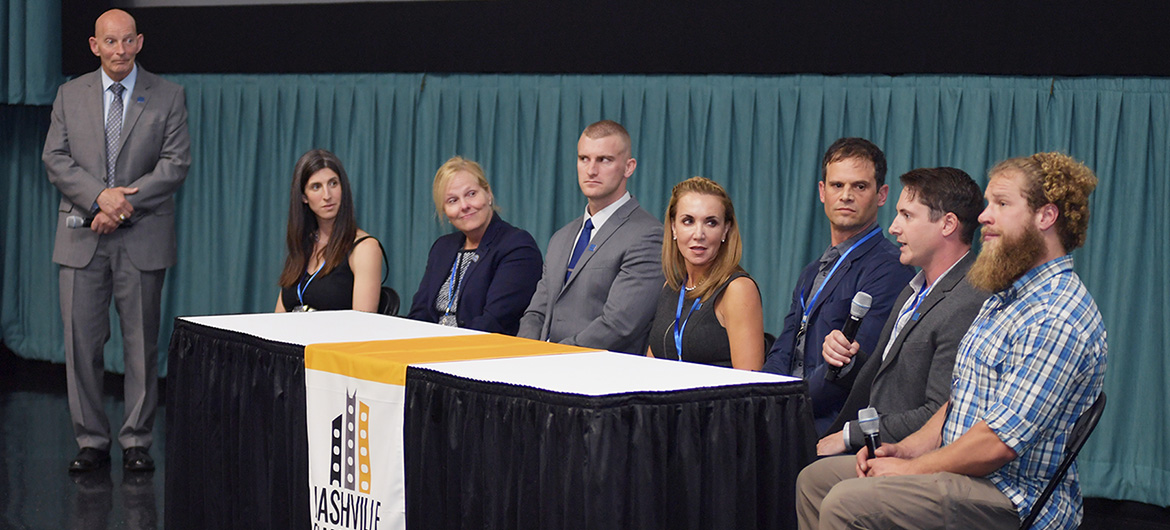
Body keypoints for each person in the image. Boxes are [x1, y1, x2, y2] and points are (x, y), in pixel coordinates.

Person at [796, 152, 1107, 529]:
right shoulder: (1005, 299)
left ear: (1046, 216)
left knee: (848, 502)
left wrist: (911, 468)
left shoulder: (1056, 315)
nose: (984, 216)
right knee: (815, 481)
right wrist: (904, 450)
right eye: (988, 203)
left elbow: (997, 443)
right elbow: (956, 402)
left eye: (1002, 204)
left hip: (1008, 496)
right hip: (961, 474)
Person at [43, 9, 191, 473]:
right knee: (80, 346)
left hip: (142, 238)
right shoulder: (69, 95)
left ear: (140, 42)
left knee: (141, 345)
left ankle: (136, 441)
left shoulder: (168, 95)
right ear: (95, 46)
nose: (120, 50)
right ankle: (90, 440)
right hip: (81, 238)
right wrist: (99, 198)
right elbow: (55, 159)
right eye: (111, 41)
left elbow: (175, 164)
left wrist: (121, 206)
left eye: (128, 41)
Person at [816, 167, 988, 456]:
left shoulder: (969, 300)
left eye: (907, 216)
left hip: (908, 455)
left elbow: (941, 413)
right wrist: (848, 363)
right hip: (873, 440)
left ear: (947, 224)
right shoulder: (913, 289)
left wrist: (850, 435)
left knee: (809, 476)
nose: (894, 227)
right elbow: (891, 382)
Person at [762, 137, 914, 434]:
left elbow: (856, 367)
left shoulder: (890, 267)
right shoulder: (811, 271)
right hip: (785, 413)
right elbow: (784, 348)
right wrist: (765, 398)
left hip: (828, 424)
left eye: (860, 186)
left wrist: (787, 407)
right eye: (837, 185)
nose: (846, 196)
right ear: (822, 191)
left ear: (882, 195)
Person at [518, 120, 663, 354]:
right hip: (541, 366)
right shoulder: (561, 237)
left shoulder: (648, 235)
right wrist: (525, 352)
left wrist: (551, 357)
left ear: (629, 167)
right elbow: (536, 313)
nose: (591, 170)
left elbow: (619, 326)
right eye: (584, 158)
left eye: (604, 160)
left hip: (600, 371)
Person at [408, 156, 542, 334]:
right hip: (430, 346)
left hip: (480, 347)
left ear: (488, 194)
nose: (464, 206)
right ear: (445, 212)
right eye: (452, 200)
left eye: (471, 194)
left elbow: (494, 322)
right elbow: (420, 313)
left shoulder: (517, 246)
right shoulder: (442, 248)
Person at [647, 177, 764, 370]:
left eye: (711, 223)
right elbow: (651, 364)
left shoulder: (738, 290)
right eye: (688, 221)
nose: (698, 234)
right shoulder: (671, 287)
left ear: (725, 230)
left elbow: (750, 381)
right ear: (674, 227)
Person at [275, 149, 382, 313]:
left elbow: (363, 323)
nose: (327, 195)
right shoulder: (303, 245)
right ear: (304, 197)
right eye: (316, 187)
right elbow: (277, 318)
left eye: (333, 184)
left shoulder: (365, 248)